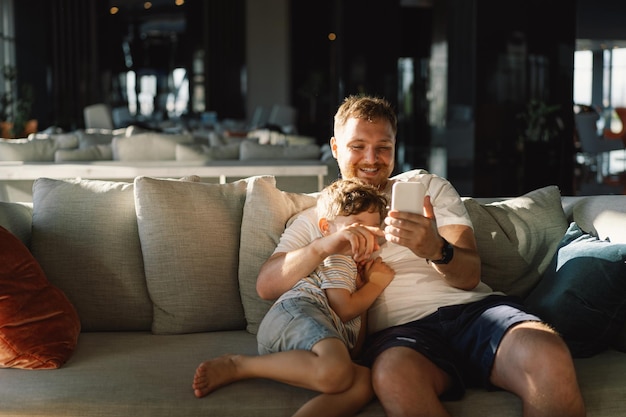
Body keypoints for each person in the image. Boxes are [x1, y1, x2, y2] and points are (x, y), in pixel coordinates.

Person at [256, 95, 586, 417]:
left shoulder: (426, 186)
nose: (372, 159)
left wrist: (435, 249)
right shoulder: (317, 218)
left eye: (383, 147)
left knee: (547, 354)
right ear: (335, 148)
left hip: (473, 312)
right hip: (400, 334)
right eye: (358, 146)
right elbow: (267, 284)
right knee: (394, 379)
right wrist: (323, 245)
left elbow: (470, 275)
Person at [193, 178, 395, 417]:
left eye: (372, 229)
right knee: (336, 371)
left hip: (301, 337)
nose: (366, 237)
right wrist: (376, 284)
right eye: (357, 227)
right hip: (298, 312)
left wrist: (361, 289)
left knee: (362, 380)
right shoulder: (339, 254)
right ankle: (239, 365)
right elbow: (343, 309)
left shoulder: (353, 270)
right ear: (326, 228)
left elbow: (354, 344)